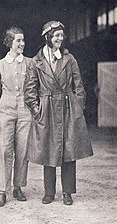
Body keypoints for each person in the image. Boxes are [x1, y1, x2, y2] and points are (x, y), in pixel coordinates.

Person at [24, 21, 94, 205]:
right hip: (46, 108)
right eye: (56, 36)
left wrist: (77, 107)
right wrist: (36, 109)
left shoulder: (69, 59)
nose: (59, 39)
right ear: (47, 37)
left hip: (68, 107)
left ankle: (67, 192)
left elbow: (79, 86)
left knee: (68, 150)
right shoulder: (36, 61)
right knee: (48, 149)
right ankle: (49, 192)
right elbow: (30, 89)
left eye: (62, 36)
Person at [0, 27, 32, 207]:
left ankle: (18, 187)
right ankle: (1, 191)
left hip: (25, 112)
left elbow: (34, 90)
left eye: (23, 40)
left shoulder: (30, 63)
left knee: (22, 151)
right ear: (9, 43)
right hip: (5, 112)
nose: (21, 44)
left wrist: (35, 111)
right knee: (3, 150)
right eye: (18, 41)